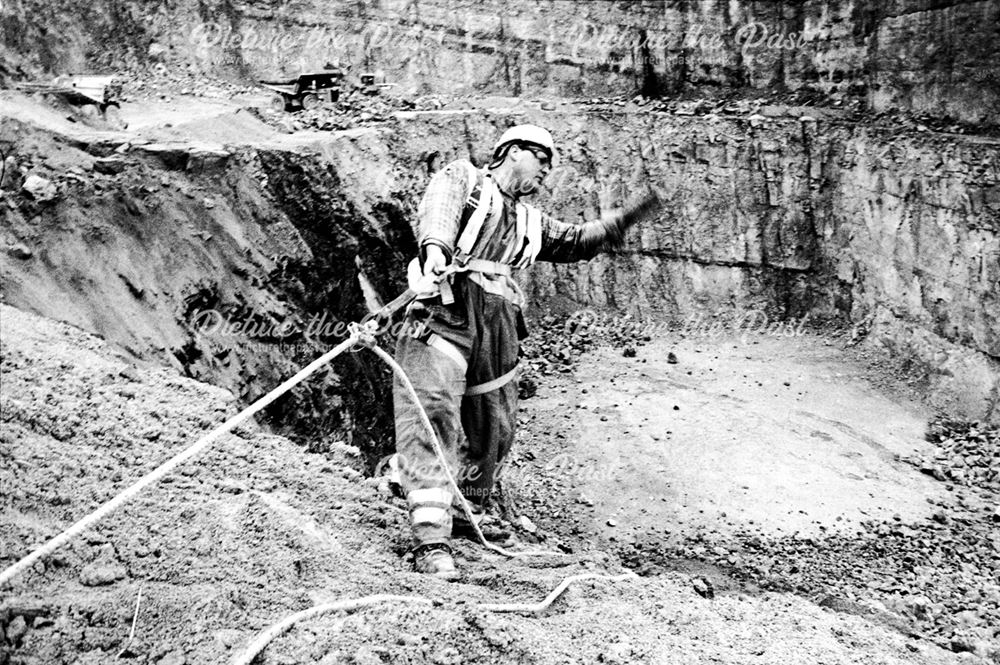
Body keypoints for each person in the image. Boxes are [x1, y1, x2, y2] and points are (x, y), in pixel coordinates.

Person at [393, 124, 649, 579]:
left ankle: (467, 511)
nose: (547, 172)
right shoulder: (464, 179)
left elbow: (575, 241)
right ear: (512, 152)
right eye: (542, 160)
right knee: (432, 412)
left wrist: (622, 221)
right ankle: (431, 541)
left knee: (495, 424)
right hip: (448, 309)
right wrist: (435, 251)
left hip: (498, 324)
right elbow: (438, 213)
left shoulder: (530, 220)